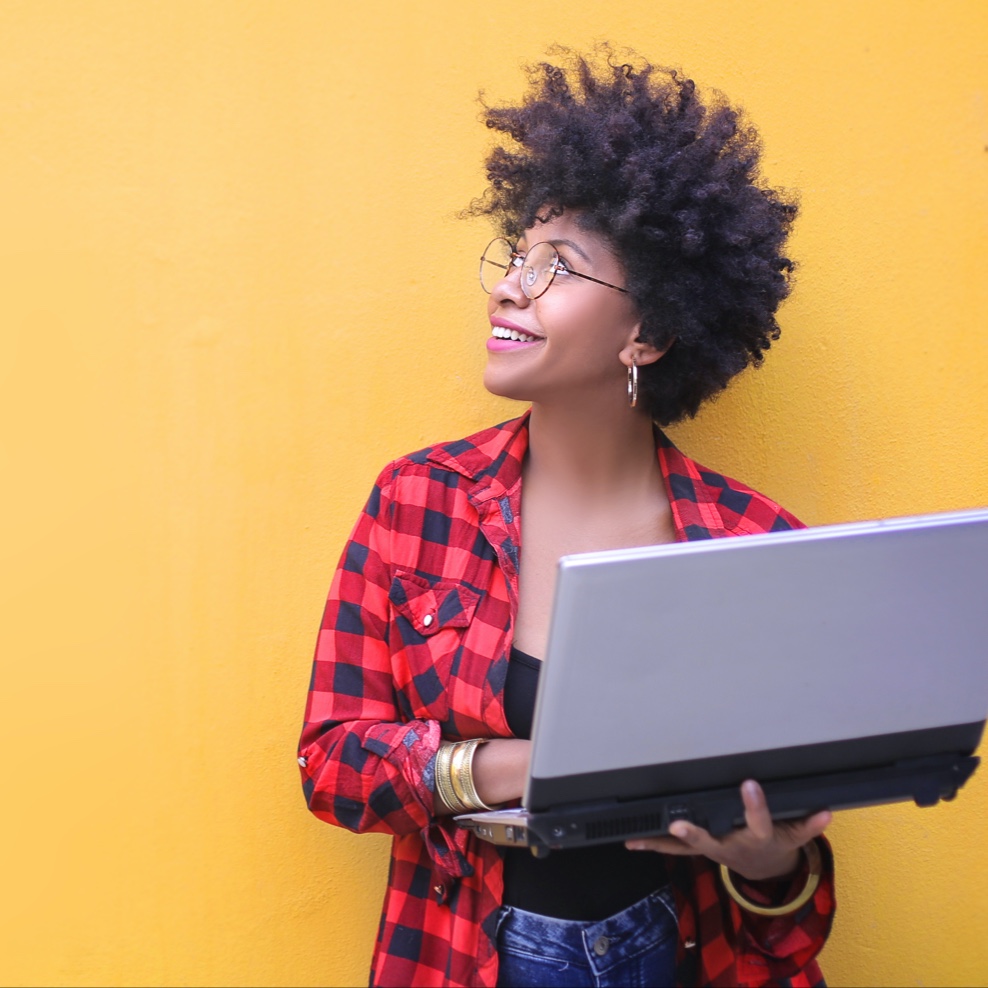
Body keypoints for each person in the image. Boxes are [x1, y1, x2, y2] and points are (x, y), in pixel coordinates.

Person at [299, 47, 835, 988]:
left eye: (559, 268)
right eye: (517, 257)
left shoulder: (760, 546)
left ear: (649, 334)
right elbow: (331, 765)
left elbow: (789, 933)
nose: (509, 285)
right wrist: (522, 767)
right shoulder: (418, 500)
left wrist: (767, 865)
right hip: (467, 955)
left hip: (677, 953)